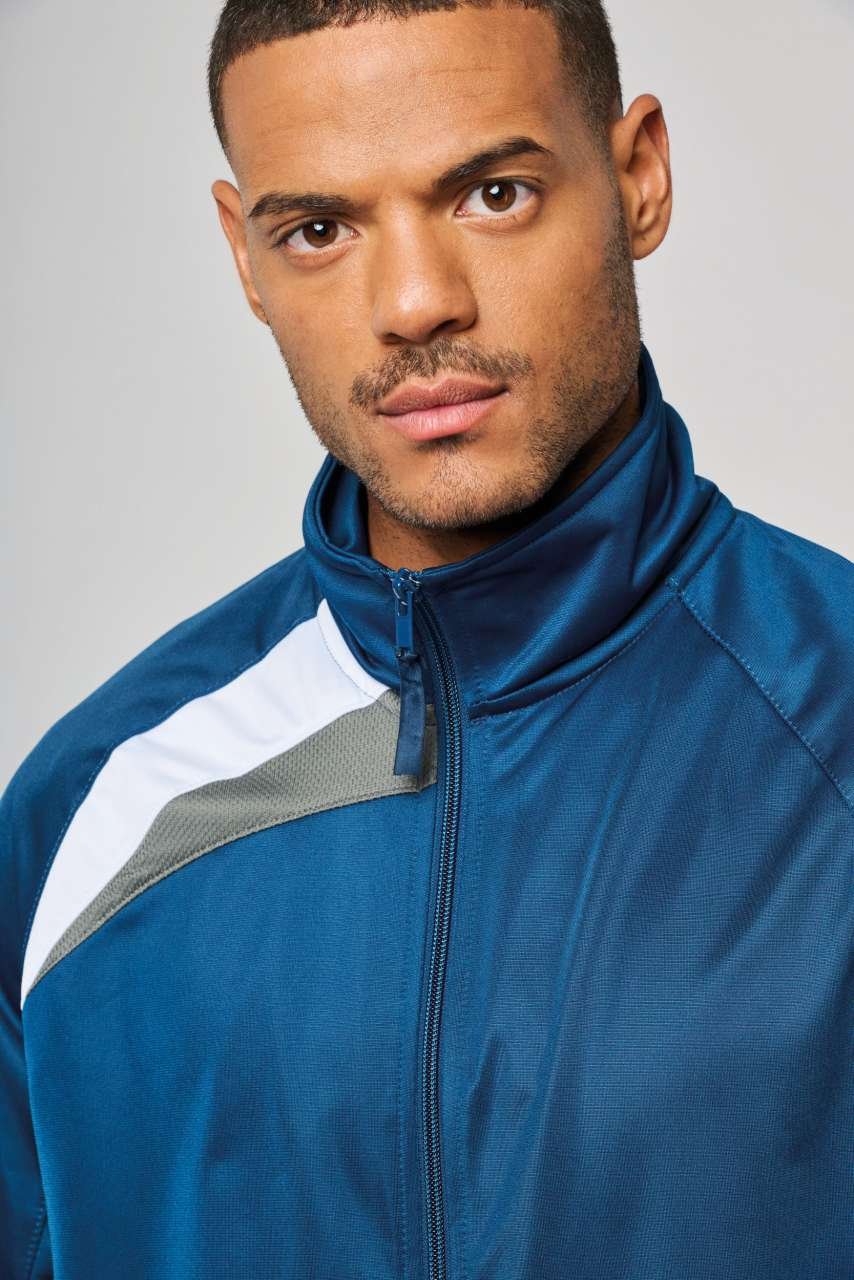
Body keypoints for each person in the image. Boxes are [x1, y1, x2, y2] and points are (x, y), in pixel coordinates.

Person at [1, 0, 851, 1275]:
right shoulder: (91, 814)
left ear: (637, 177)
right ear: (244, 256)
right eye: (318, 229)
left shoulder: (831, 724)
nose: (413, 303)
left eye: (492, 194)